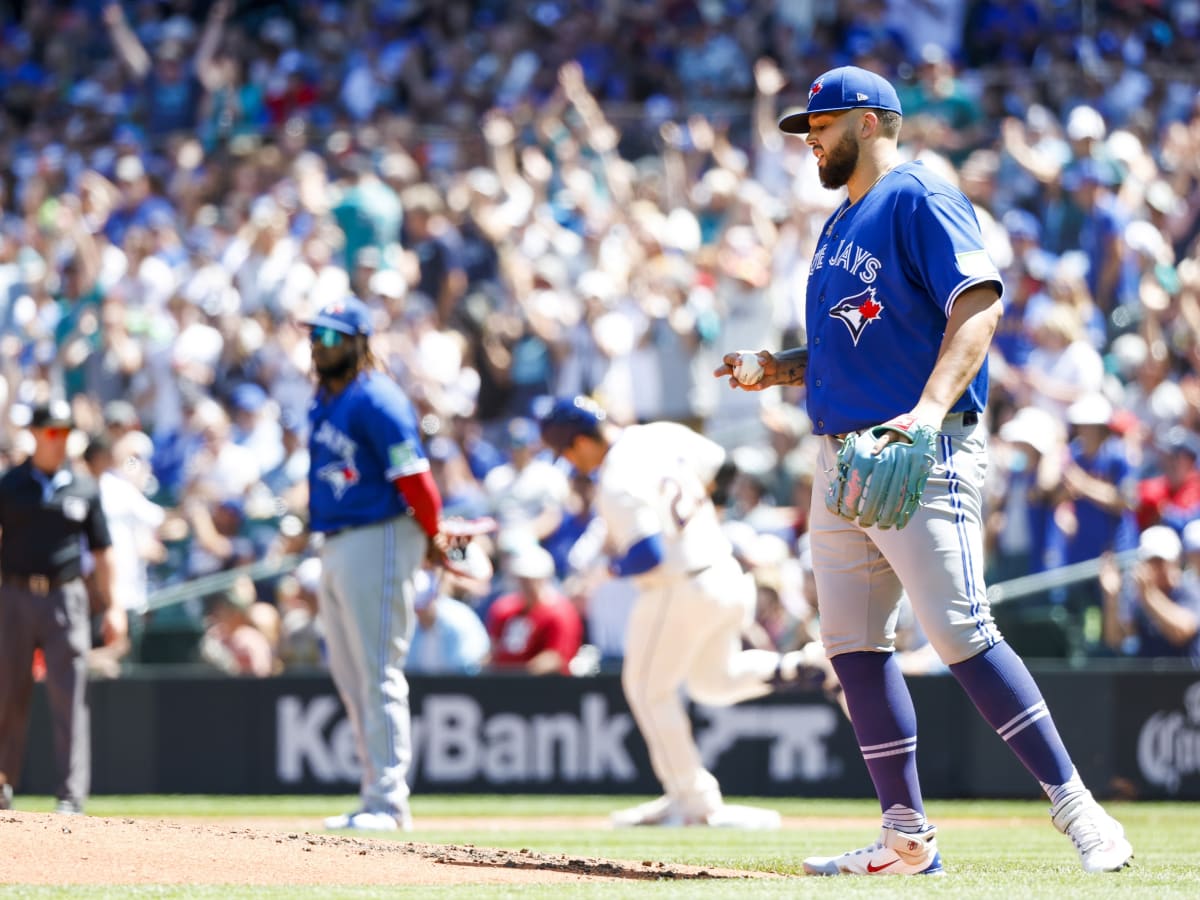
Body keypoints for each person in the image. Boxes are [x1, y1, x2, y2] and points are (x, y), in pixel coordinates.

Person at [714, 66, 1132, 874]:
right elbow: (853, 344)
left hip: (917, 445)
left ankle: (1080, 809)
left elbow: (978, 306)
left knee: (961, 631)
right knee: (851, 645)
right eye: (806, 129)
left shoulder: (920, 196)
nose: (810, 140)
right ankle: (905, 836)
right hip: (840, 455)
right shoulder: (838, 225)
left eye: (822, 124)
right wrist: (779, 367)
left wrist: (928, 414)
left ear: (871, 121)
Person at [538, 396, 826, 829]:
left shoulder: (615, 480)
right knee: (713, 681)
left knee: (647, 690)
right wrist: (712, 515)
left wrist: (607, 570)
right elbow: (724, 468)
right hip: (724, 571)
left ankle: (693, 801)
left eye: (567, 453)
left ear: (579, 442)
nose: (573, 464)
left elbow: (648, 555)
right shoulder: (658, 433)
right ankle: (809, 665)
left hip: (680, 586)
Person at [302, 296, 450, 833]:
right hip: (338, 541)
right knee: (350, 675)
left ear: (360, 342)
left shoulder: (377, 399)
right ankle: (372, 795)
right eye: (316, 336)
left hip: (381, 534)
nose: (321, 346)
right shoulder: (324, 399)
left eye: (333, 337)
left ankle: (389, 802)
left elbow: (415, 479)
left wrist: (435, 535)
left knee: (378, 671)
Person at [0, 401, 128, 815]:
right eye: (51, 432)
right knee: (7, 693)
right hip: (14, 594)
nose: (59, 441)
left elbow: (103, 551)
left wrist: (113, 607)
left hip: (65, 597)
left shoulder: (84, 486)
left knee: (69, 695)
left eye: (65, 432)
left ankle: (71, 796)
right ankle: (2, 785)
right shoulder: (11, 484)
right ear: (35, 434)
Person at [1100, 525, 1200, 663]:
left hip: (1188, 680)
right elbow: (1116, 639)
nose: (1156, 567)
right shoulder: (1139, 595)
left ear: (1176, 562)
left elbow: (1182, 632)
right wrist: (1112, 597)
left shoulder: (1188, 589)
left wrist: (1149, 597)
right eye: (1150, 561)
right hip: (1149, 681)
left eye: (1161, 561)